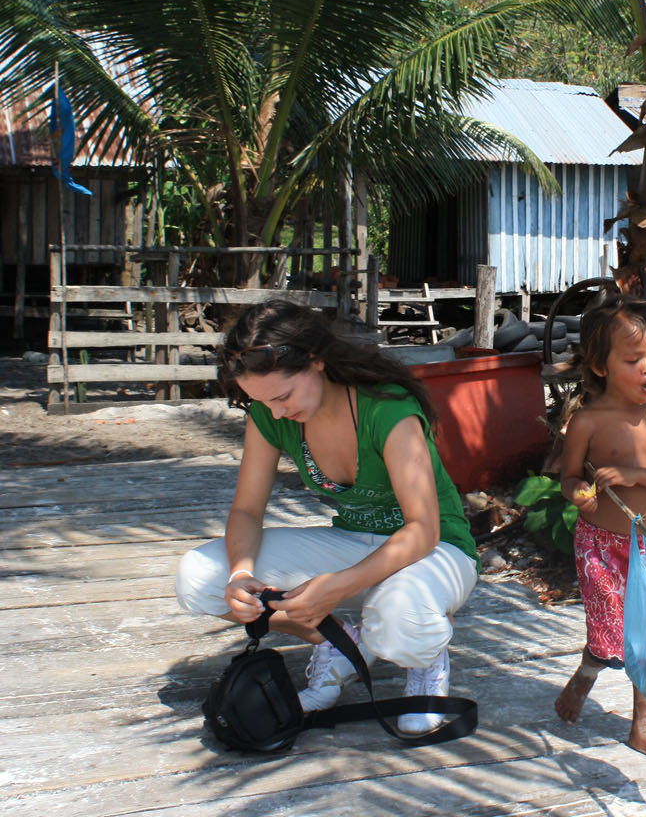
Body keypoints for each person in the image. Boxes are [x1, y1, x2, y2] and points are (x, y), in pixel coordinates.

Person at [174, 300, 479, 733]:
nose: (276, 412)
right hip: (355, 542)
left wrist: (334, 587)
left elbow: (423, 530)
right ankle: (338, 639)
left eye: (282, 396)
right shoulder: (269, 413)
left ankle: (425, 658)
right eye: (261, 401)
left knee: (398, 618)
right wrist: (240, 575)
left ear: (316, 361)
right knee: (199, 578)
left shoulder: (387, 409)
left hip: (436, 549)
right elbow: (245, 509)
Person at [554, 295, 646, 764]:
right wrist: (580, 494)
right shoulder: (587, 422)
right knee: (613, 635)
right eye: (633, 360)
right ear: (599, 365)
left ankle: (641, 728)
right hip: (600, 545)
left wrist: (639, 476)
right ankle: (587, 674)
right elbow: (569, 477)